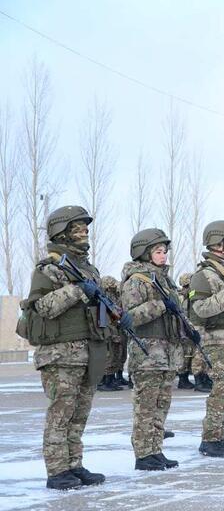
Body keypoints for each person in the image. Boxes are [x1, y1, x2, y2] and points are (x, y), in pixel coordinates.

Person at [23, 205, 128, 489]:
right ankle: (57, 471)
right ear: (62, 232)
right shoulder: (49, 268)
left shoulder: (88, 269)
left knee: (79, 413)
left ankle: (74, 464)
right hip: (60, 354)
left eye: (85, 229)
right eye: (77, 229)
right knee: (61, 413)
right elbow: (42, 306)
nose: (83, 233)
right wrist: (78, 290)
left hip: (88, 351)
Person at [120, 228, 184, 470]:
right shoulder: (136, 280)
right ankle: (143, 454)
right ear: (144, 253)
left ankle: (155, 450)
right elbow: (129, 316)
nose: (164, 255)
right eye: (158, 251)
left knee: (161, 405)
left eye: (165, 251)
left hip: (166, 352)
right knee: (146, 406)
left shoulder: (164, 280)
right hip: (147, 353)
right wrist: (159, 305)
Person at [189, 221, 224, 457]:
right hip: (216, 338)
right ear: (217, 243)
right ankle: (210, 439)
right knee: (222, 389)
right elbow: (199, 309)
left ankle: (218, 436)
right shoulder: (204, 274)